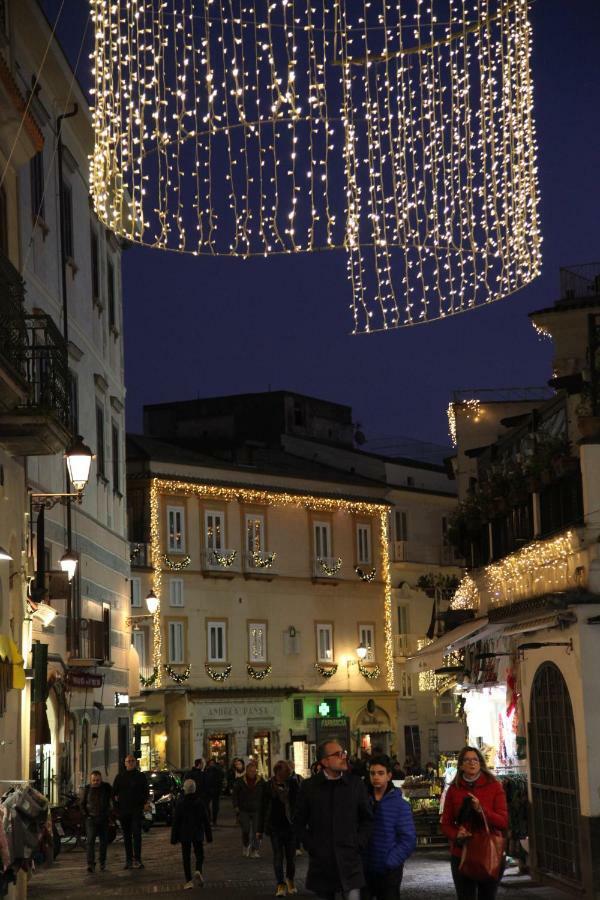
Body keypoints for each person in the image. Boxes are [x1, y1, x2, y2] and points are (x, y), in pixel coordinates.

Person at [294, 740, 373, 900]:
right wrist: (312, 845)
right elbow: (298, 822)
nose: (344, 757)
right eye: (337, 754)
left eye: (343, 753)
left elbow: (367, 819)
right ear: (324, 761)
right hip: (322, 863)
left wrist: (358, 843)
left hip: (350, 859)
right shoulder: (309, 787)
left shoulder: (355, 784)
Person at [440, 746, 508, 900]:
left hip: (488, 850)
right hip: (462, 852)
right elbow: (445, 823)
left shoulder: (494, 786)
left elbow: (503, 822)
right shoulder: (454, 790)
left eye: (475, 760)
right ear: (461, 765)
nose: (471, 763)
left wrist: (481, 810)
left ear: (480, 763)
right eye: (467, 760)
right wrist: (457, 834)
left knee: (488, 896)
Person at [364, 755, 416, 899]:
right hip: (365, 867)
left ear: (389, 776)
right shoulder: (362, 801)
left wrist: (391, 861)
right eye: (372, 773)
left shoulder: (400, 805)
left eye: (380, 773)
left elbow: (408, 839)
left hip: (389, 870)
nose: (376, 777)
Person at [257, 760, 300, 897]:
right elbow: (262, 808)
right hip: (274, 826)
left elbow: (299, 804)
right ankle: (280, 884)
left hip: (290, 826)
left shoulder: (293, 784)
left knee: (291, 857)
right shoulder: (268, 786)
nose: (286, 776)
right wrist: (259, 829)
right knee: (278, 856)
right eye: (284, 774)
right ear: (277, 773)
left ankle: (290, 879)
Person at [171, 778, 213, 890]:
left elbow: (176, 821)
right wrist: (209, 836)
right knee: (199, 853)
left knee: (186, 857)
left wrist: (174, 837)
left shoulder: (181, 803)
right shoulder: (200, 803)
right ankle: (198, 869)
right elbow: (206, 820)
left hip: (185, 833)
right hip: (197, 832)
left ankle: (188, 880)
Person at [113, 754, 150, 869]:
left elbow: (146, 791)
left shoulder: (141, 776)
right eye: (128, 761)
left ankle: (137, 859)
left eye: (132, 761)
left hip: (136, 810)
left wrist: (144, 803)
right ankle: (128, 860)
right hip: (124, 811)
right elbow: (114, 793)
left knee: (137, 835)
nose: (130, 763)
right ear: (125, 763)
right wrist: (117, 808)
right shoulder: (119, 777)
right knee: (127, 836)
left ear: (135, 762)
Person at [81, 770, 112, 873]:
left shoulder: (106, 788)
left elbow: (114, 797)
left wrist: (109, 813)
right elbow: (82, 804)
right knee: (90, 842)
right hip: (91, 819)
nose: (96, 782)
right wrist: (87, 815)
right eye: (94, 780)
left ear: (101, 779)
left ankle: (102, 863)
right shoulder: (87, 789)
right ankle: (91, 864)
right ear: (91, 780)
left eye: (97, 780)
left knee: (103, 842)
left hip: (103, 818)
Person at [232, 759, 264, 858]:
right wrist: (236, 806)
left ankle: (255, 850)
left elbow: (265, 794)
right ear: (247, 771)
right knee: (245, 829)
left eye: (254, 771)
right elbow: (235, 794)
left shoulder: (261, 781)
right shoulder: (240, 781)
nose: (252, 773)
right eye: (250, 771)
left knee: (257, 831)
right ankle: (246, 845)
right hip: (244, 809)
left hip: (257, 809)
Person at [204, 758, 225, 826]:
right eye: (211, 763)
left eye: (212, 763)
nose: (212, 764)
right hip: (209, 790)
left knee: (214, 806)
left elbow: (220, 779)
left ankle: (213, 820)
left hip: (215, 790)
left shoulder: (216, 770)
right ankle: (210, 819)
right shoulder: (207, 770)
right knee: (208, 805)